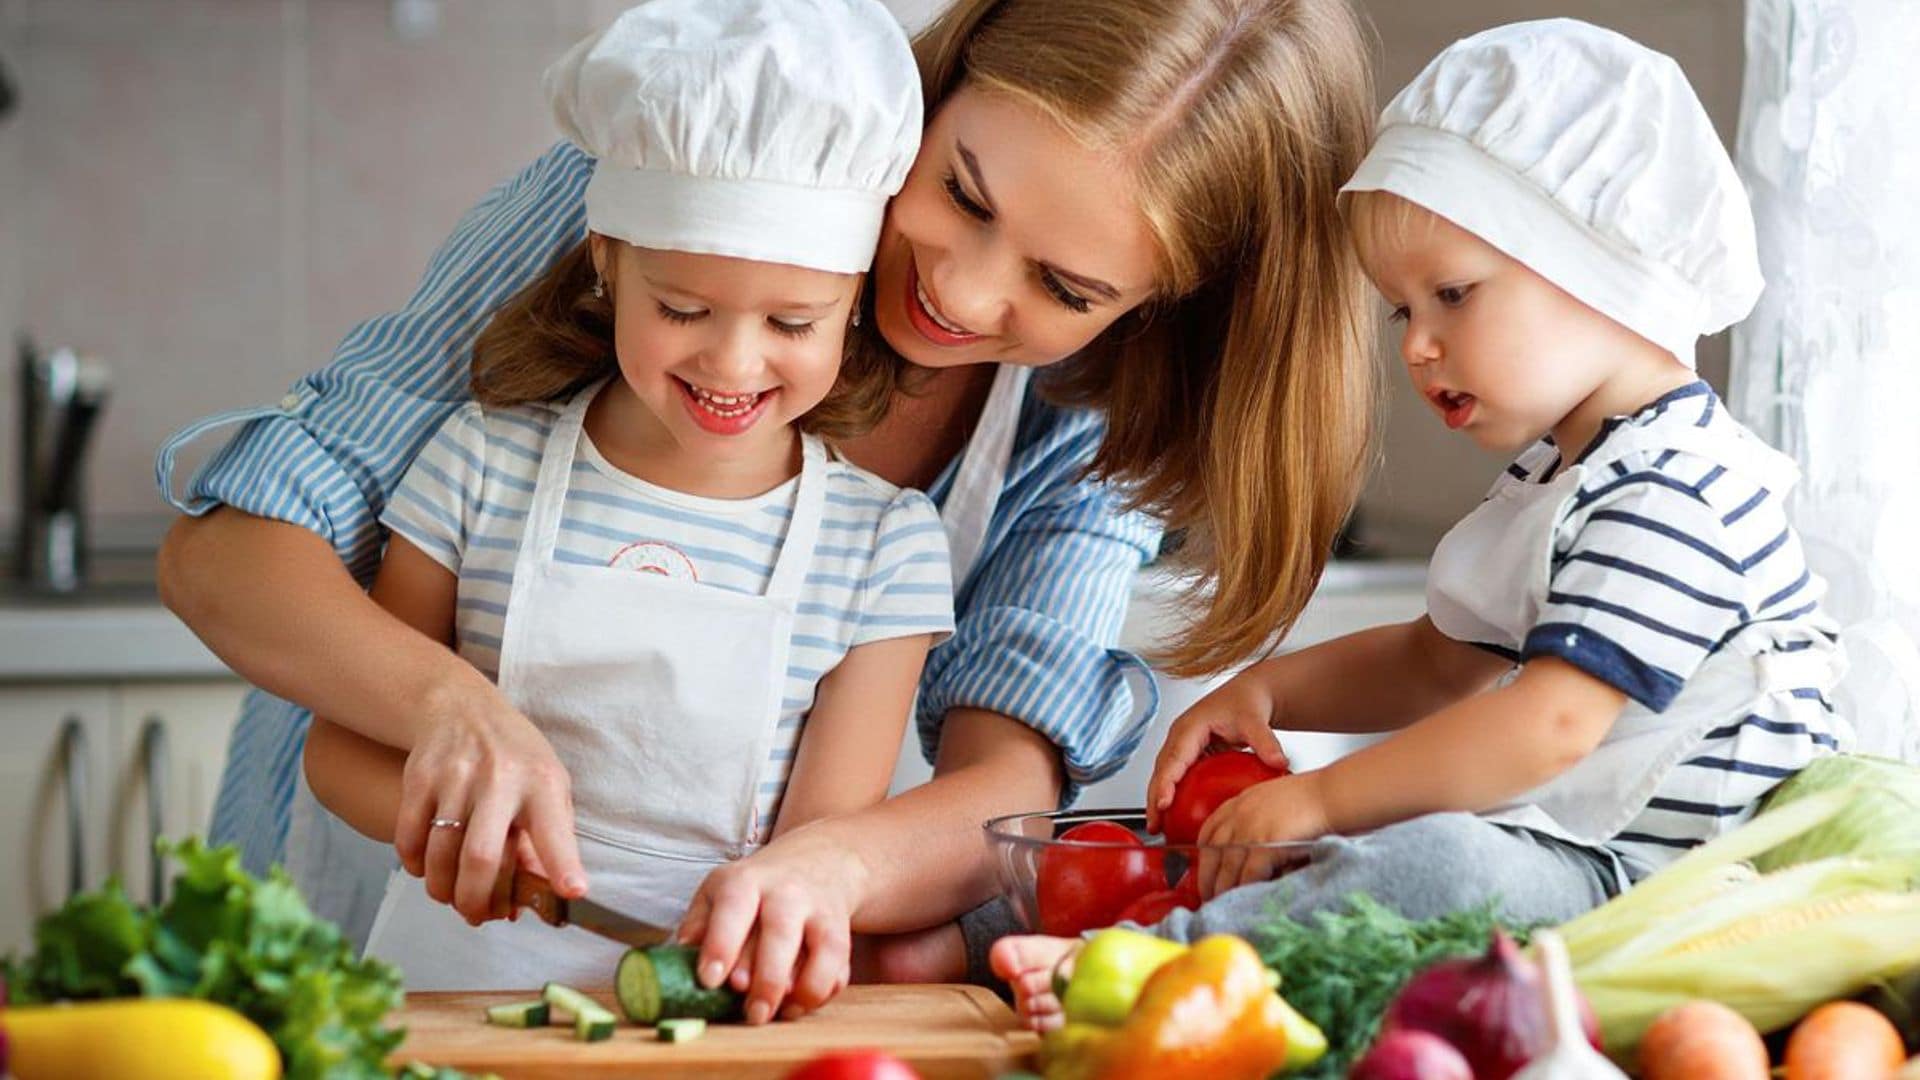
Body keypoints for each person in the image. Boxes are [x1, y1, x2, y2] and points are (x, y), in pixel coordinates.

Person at [155, 0, 1379, 1021]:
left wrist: (828, 868)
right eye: (961, 191)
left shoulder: (1088, 414)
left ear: (1159, 306)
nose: (959, 288)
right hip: (362, 895)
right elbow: (229, 558)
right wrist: (451, 713)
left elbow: (1003, 773)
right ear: (942, 86)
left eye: (1066, 285)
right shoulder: (677, 168)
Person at [993, 19, 1852, 1028]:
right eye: (1403, 309)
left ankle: (1150, 968)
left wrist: (1322, 797)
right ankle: (1108, 943)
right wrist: (1268, 687)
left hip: (1683, 898)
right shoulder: (1566, 475)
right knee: (1395, 850)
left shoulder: (1677, 492)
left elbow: (1549, 726)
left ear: (1603, 268)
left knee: (1439, 856)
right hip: (1591, 861)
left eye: (1453, 294)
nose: (1419, 345)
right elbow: (1436, 660)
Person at [293, 0, 952, 991]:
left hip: (710, 1009)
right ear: (607, 261)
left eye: (793, 321)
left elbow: (817, 855)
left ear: (853, 303)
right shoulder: (480, 464)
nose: (734, 361)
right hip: (448, 981)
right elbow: (341, 752)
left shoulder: (883, 547)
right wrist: (462, 842)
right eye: (682, 308)